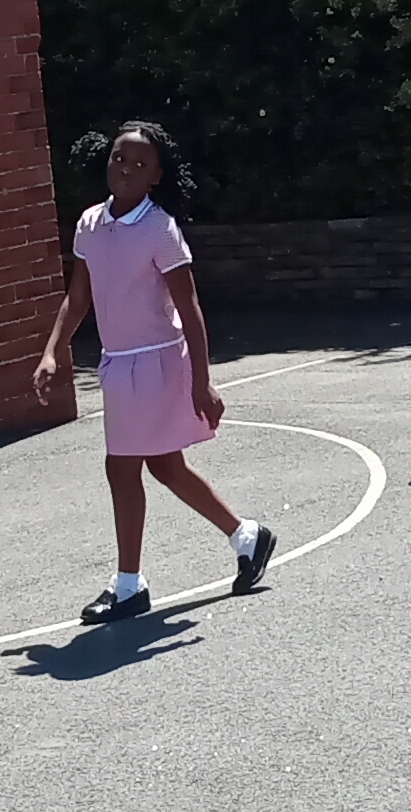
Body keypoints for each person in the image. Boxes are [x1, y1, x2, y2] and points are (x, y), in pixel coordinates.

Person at [34, 121, 277, 622]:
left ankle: (129, 586)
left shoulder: (159, 229)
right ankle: (247, 536)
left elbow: (190, 308)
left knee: (121, 467)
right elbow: (78, 296)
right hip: (119, 363)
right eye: (120, 158)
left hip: (158, 362)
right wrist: (53, 351)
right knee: (165, 465)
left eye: (140, 164)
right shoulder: (90, 224)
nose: (126, 168)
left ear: (156, 176)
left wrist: (202, 381)